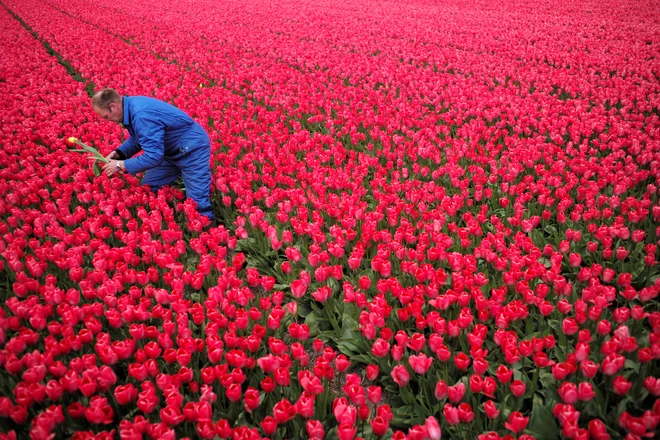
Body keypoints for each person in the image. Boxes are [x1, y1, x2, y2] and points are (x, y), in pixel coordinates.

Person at [91, 88, 215, 223]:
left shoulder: (141, 114)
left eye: (105, 117)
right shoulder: (131, 107)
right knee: (149, 188)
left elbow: (153, 157)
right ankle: (170, 218)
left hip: (191, 149)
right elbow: (137, 139)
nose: (107, 120)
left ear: (112, 107)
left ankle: (207, 232)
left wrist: (121, 165)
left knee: (197, 202)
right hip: (170, 150)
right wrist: (119, 153)